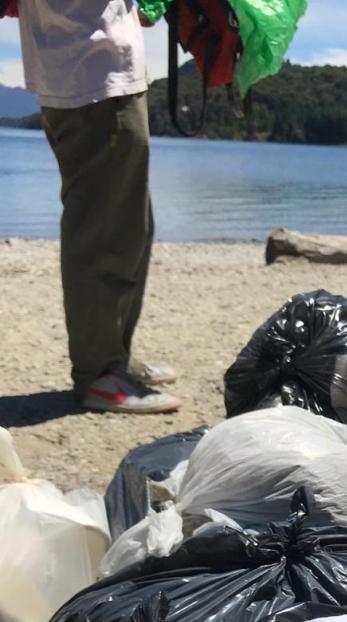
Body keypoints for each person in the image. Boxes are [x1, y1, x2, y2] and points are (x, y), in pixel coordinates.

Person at [15, 0, 181, 413]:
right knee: (103, 225)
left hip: (96, 66)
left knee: (129, 223)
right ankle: (99, 372)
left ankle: (113, 359)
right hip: (89, 68)